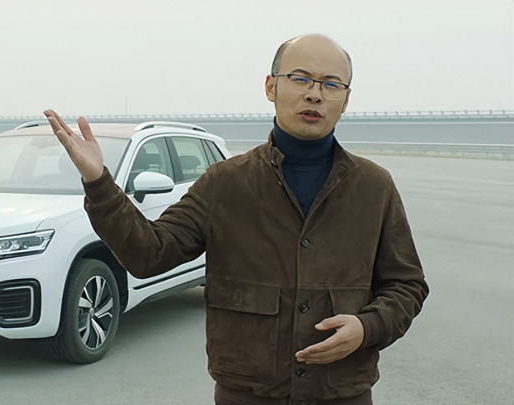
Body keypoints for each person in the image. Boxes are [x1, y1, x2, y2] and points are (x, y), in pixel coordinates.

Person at [44, 33, 428, 405]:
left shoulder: (373, 187)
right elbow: (150, 254)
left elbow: (406, 284)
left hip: (343, 394)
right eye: (300, 78)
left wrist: (368, 327)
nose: (315, 93)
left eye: (331, 84)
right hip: (246, 396)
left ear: (345, 100)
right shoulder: (224, 183)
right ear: (270, 87)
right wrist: (99, 183)